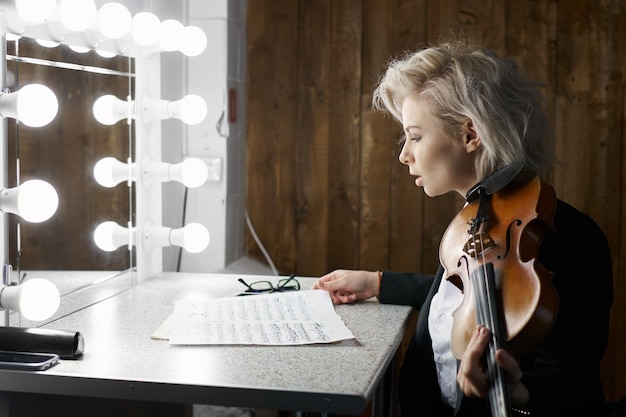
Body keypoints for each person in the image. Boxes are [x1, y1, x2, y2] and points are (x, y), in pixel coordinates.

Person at [312, 41, 613, 417]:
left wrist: (519, 393)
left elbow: (574, 380)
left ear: (470, 135)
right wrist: (377, 283)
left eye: (415, 136)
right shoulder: (475, 219)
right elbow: (465, 295)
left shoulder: (568, 238)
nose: (404, 154)